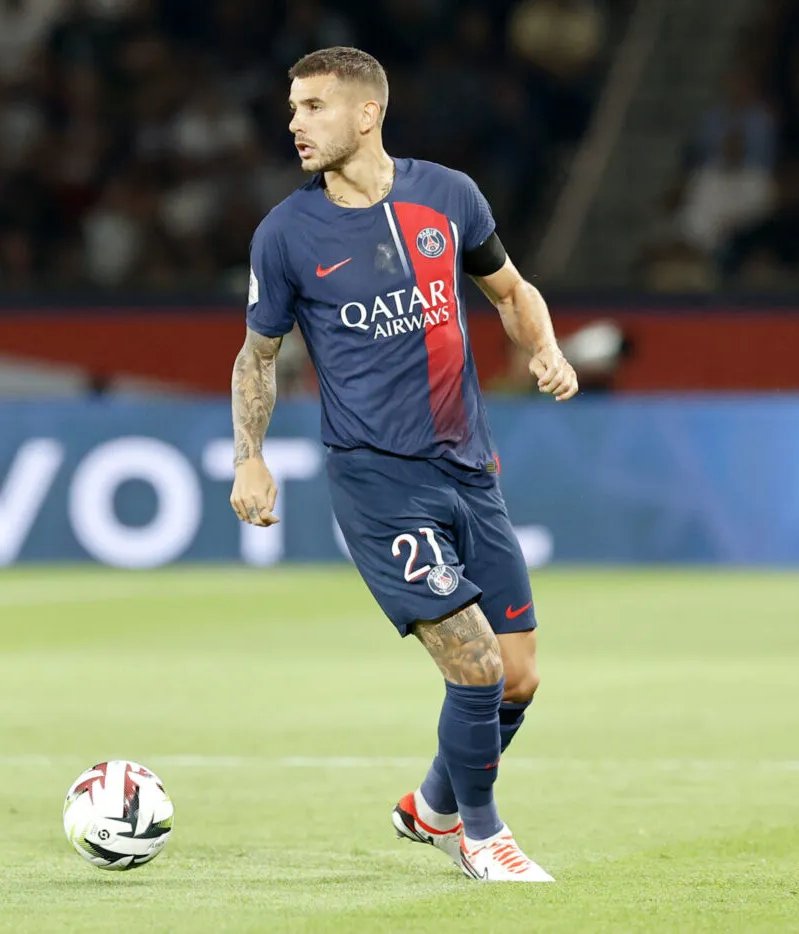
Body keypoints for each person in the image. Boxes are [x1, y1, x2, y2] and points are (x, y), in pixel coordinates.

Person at [227, 47, 578, 882]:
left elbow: (510, 290)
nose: (296, 123)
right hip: (379, 482)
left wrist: (547, 350)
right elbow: (257, 356)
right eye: (293, 107)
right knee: (476, 666)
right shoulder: (285, 234)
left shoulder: (449, 196)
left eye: (313, 106)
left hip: (468, 467)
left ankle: (432, 806)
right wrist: (250, 459)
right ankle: (482, 840)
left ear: (366, 113)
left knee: (519, 679)